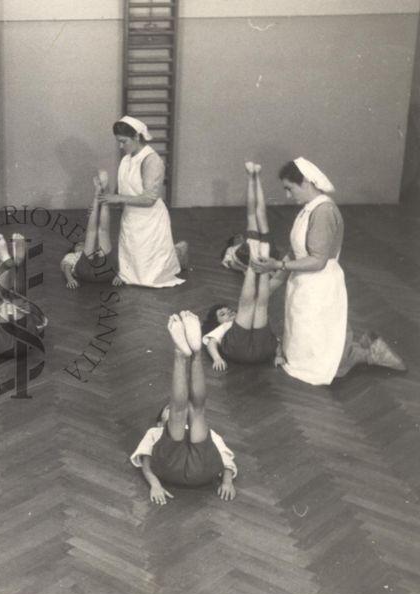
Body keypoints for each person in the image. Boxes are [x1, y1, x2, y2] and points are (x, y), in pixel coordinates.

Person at [251, 158, 405, 385]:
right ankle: (359, 349)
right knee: (310, 333)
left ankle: (367, 354)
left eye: (289, 189)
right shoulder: (309, 209)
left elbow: (318, 261)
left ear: (305, 182)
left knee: (323, 344)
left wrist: (277, 266)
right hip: (304, 282)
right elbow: (297, 252)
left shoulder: (323, 211)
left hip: (319, 283)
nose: (287, 195)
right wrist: (273, 282)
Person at [130, 312, 237, 505]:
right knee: (194, 411)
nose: (171, 409)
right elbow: (146, 463)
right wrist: (155, 485)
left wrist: (227, 482)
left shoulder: (207, 433)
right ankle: (191, 355)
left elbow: (224, 457)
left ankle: (184, 354)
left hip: (198, 469)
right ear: (159, 421)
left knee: (193, 411)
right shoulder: (155, 432)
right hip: (178, 468)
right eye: (167, 409)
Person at [203, 162, 282, 371]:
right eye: (223, 313)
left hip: (249, 349)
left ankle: (253, 176)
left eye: (225, 311)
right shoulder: (221, 330)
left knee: (254, 304)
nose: (227, 313)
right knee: (260, 304)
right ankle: (253, 176)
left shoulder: (230, 326)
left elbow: (255, 214)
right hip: (257, 350)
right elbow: (210, 342)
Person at [98, 116, 187, 288]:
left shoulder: (151, 160)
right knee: (131, 264)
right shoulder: (126, 159)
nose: (120, 146)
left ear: (137, 137)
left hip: (150, 219)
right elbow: (119, 193)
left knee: (150, 278)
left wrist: (117, 199)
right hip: (131, 217)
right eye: (118, 142)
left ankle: (180, 252)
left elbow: (149, 199)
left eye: (123, 141)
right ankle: (176, 252)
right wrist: (103, 188)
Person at [0, 234, 47, 356]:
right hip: (25, 342)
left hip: (3, 344)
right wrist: (31, 309)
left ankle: (5, 261)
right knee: (17, 299)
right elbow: (41, 318)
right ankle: (15, 262)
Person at [61, 171, 119, 288]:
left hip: (106, 272)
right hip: (85, 271)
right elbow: (66, 268)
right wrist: (70, 279)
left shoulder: (97, 250)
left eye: (81, 243)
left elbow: (121, 262)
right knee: (95, 232)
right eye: (78, 244)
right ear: (74, 249)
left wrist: (120, 275)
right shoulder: (73, 256)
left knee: (101, 232)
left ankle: (101, 192)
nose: (81, 244)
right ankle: (100, 192)